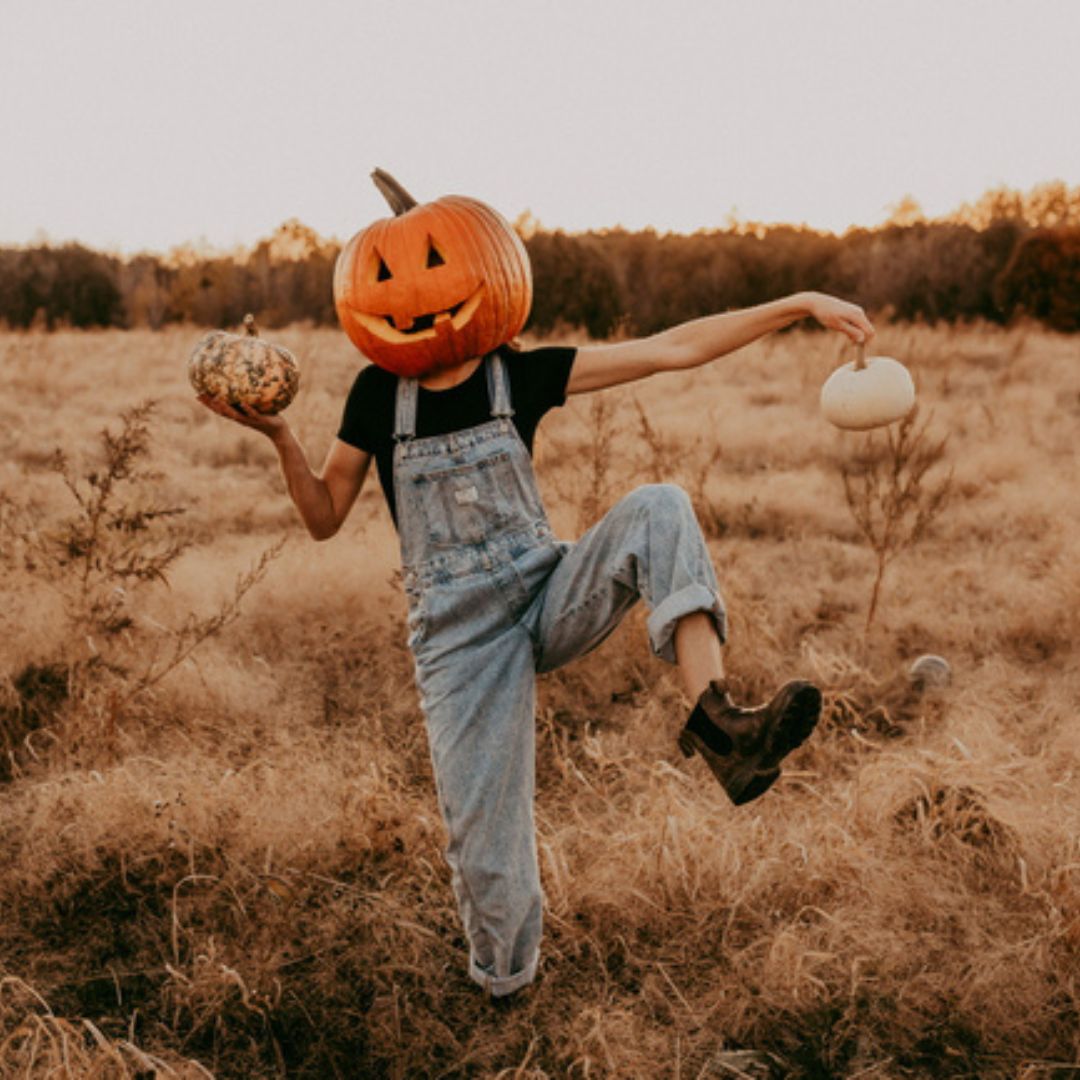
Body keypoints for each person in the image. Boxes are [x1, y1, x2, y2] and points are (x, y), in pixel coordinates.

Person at [199, 289, 874, 998]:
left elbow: (673, 348)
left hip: (548, 591)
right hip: (462, 642)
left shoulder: (514, 375)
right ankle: (505, 988)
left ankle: (721, 725)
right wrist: (280, 436)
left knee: (661, 507)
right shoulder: (377, 396)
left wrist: (798, 304)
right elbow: (323, 516)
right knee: (488, 843)